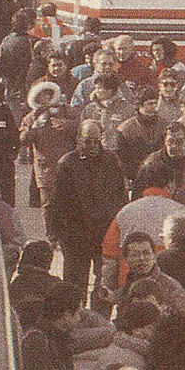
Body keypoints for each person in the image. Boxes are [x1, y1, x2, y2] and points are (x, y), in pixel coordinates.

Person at [46, 120, 127, 298]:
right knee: (74, 285)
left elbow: (121, 195)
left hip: (104, 233)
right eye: (87, 141)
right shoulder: (67, 163)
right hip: (76, 234)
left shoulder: (111, 160)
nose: (92, 146)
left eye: (96, 141)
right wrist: (54, 233)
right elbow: (56, 202)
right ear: (78, 140)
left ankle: (100, 319)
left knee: (104, 283)